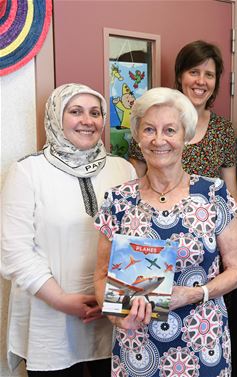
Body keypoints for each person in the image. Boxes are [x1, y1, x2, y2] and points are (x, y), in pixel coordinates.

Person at [94, 87, 237, 377]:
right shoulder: (118, 199)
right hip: (137, 348)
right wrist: (115, 315)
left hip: (202, 342)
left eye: (170, 130)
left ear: (185, 136)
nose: (159, 139)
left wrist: (193, 294)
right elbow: (100, 276)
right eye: (149, 129)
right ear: (138, 136)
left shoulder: (213, 193)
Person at [1, 84, 137, 376]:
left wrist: (112, 298)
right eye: (75, 112)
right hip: (50, 319)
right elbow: (15, 252)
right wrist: (62, 301)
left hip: (112, 316)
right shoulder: (27, 171)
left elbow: (133, 240)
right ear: (56, 117)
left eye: (95, 112)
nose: (87, 120)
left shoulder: (123, 169)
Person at [128, 40, 237, 230]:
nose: (201, 81)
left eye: (209, 75)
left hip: (206, 230)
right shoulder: (151, 124)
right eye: (193, 72)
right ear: (179, 76)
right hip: (155, 227)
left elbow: (231, 190)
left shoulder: (223, 129)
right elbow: (134, 183)